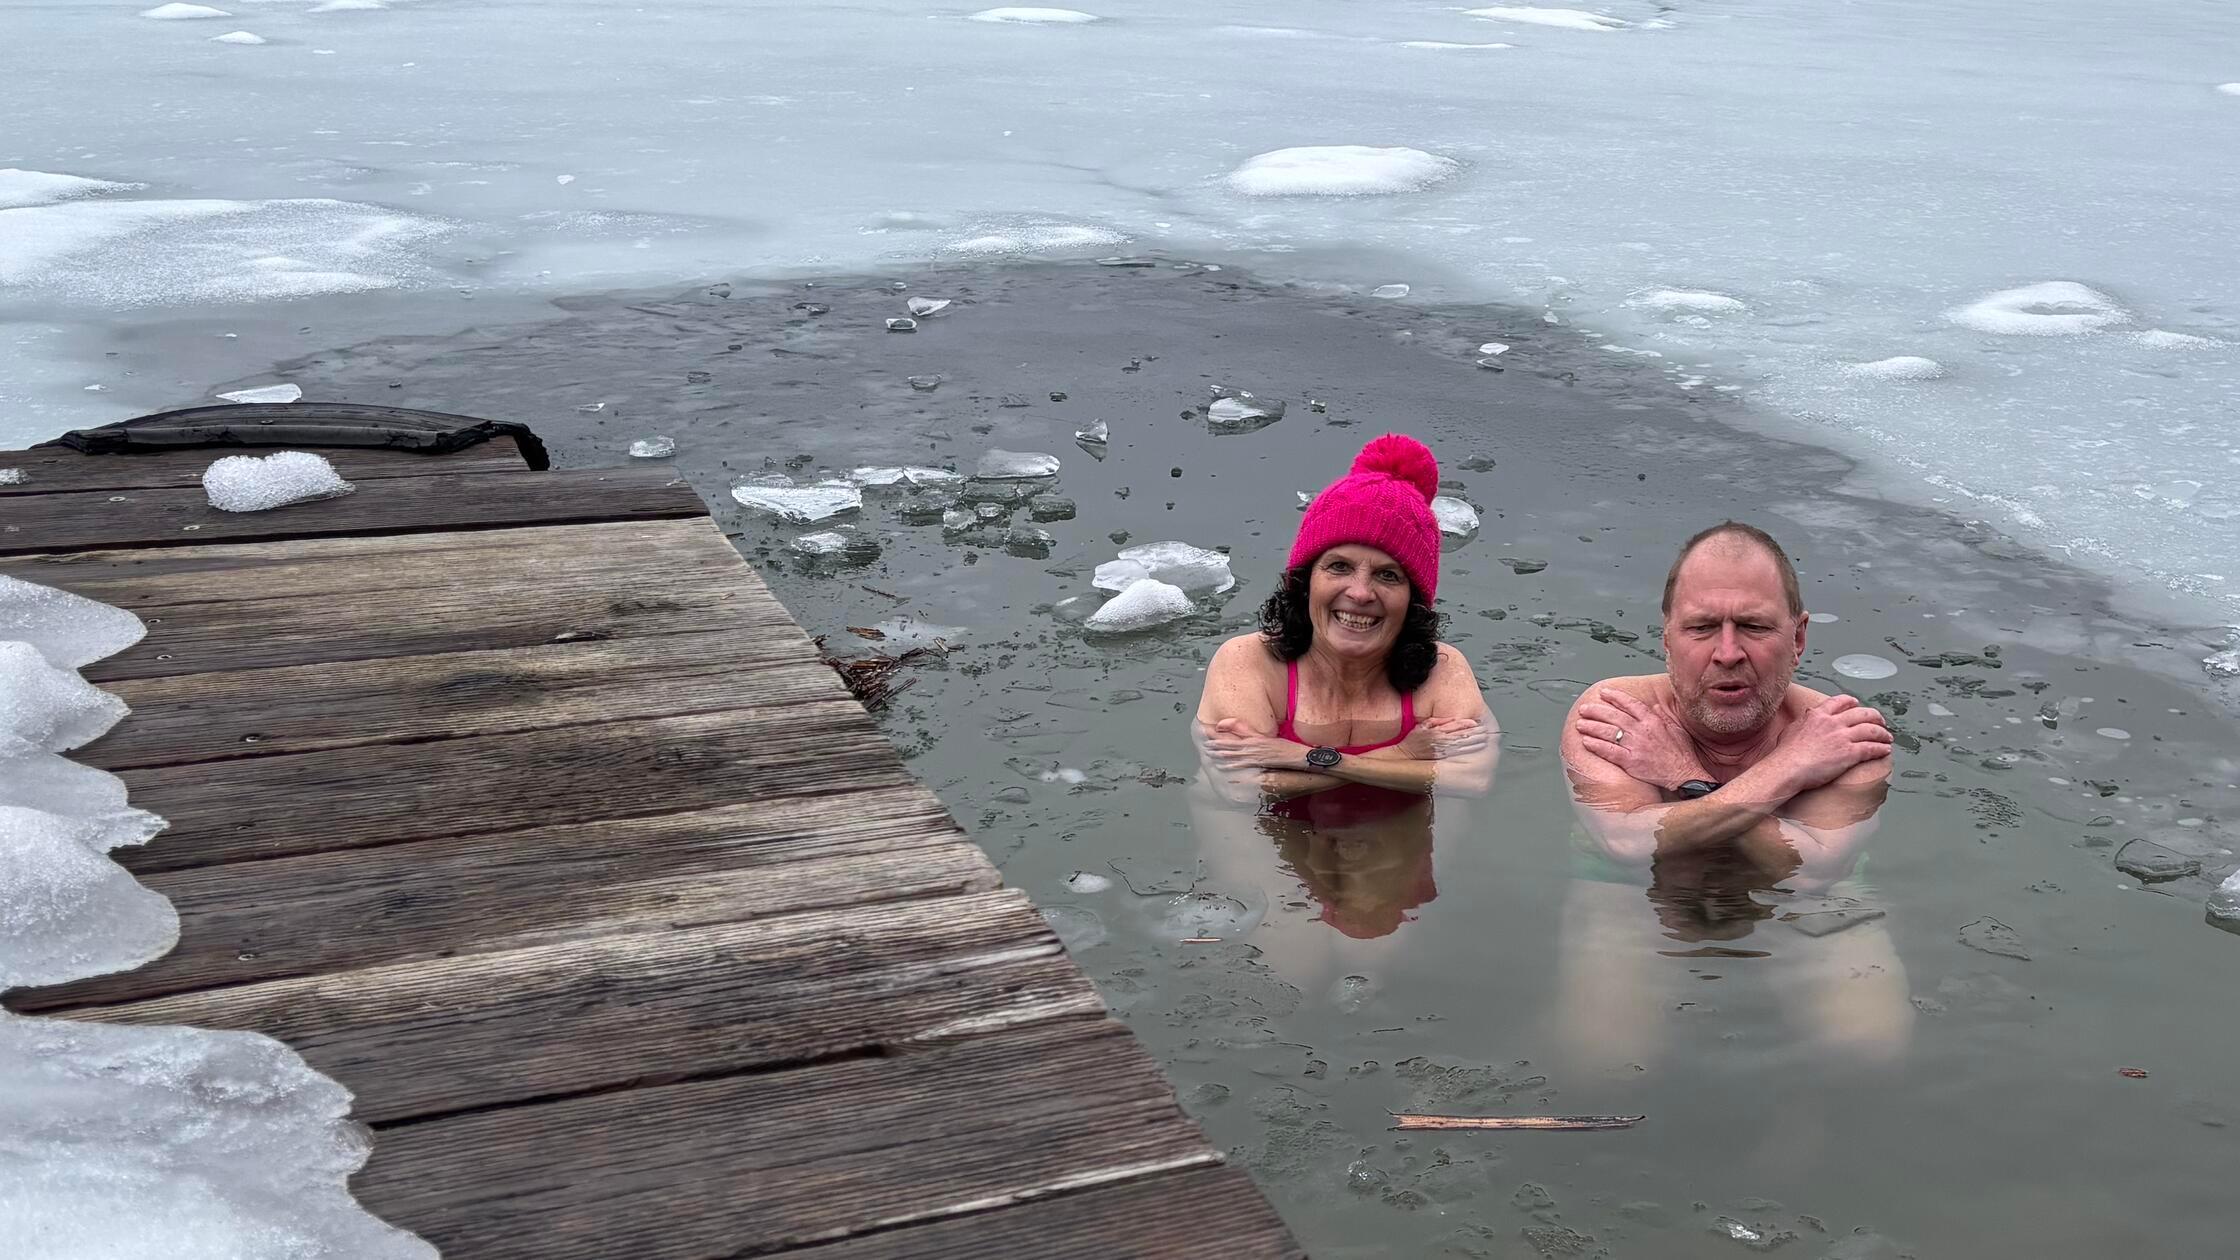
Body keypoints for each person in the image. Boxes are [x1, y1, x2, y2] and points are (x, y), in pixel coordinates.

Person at [1561, 520, 1891, 863]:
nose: (1728, 653)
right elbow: (1628, 845)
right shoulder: (1616, 713)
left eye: (1754, 626)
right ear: (1667, 638)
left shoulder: (1845, 735)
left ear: (1798, 638)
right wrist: (1792, 767)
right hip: (1626, 887)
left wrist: (1684, 778)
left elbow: (1813, 872)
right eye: (1702, 627)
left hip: (1807, 907)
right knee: (1611, 917)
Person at [1196, 434, 1496, 800]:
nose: (1360, 593)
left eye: (1388, 575)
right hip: (1265, 843)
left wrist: (1305, 758)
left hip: (1396, 847)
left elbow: (1470, 782)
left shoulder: (1443, 670)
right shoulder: (1248, 662)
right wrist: (1404, 756)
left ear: (1413, 599)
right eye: (1339, 567)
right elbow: (1239, 789)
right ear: (1306, 582)